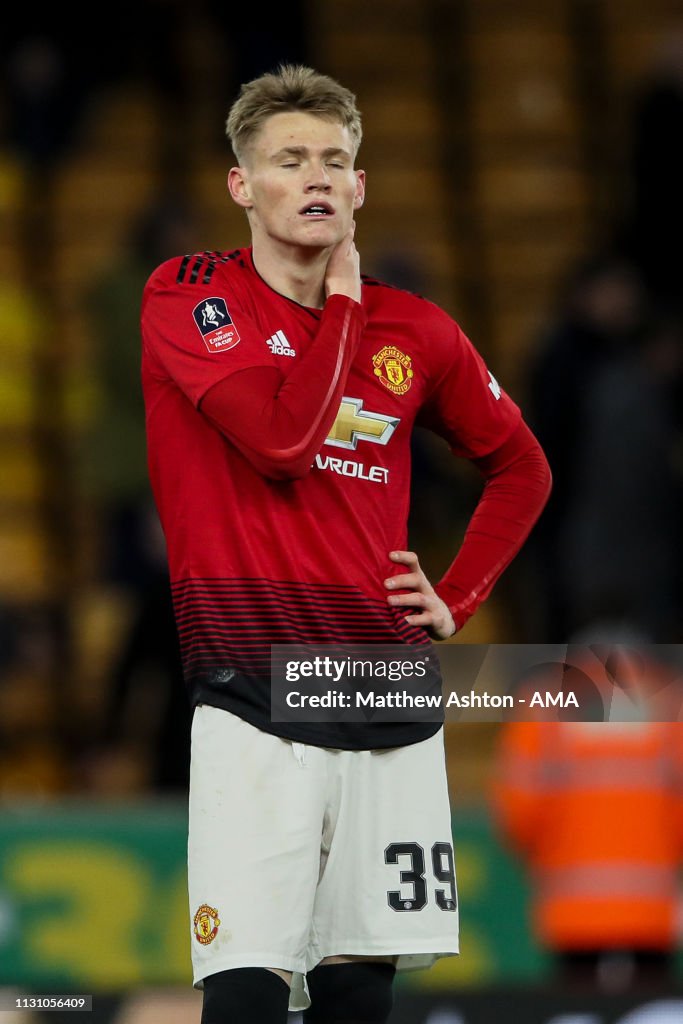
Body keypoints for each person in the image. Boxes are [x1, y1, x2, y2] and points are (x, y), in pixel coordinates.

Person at [140, 65, 551, 1024]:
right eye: (290, 160)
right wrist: (348, 310)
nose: (317, 177)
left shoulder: (423, 330)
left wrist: (458, 596)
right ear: (243, 184)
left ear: (360, 186)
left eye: (335, 160)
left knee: (360, 998)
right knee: (243, 989)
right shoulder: (192, 295)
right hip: (252, 691)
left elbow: (522, 467)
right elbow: (282, 443)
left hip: (386, 690)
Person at [491, 639, 683, 994]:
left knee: (578, 1008)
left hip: (571, 910)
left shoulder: (543, 706)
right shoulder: (672, 699)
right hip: (654, 910)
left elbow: (520, 814)